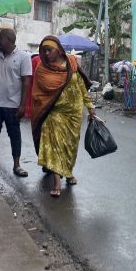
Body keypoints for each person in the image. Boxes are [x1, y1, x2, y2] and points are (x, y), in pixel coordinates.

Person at [31, 36, 95, 197]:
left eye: (49, 50)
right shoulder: (42, 69)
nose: (45, 54)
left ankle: (68, 172)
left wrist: (90, 106)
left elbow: (81, 86)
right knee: (55, 145)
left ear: (58, 50)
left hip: (74, 113)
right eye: (43, 50)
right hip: (54, 113)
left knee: (70, 146)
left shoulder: (72, 62)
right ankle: (57, 181)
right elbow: (38, 94)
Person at [0, 29, 32, 176]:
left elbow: (26, 82)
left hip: (12, 105)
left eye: (0, 38)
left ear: (9, 40)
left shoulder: (23, 57)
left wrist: (22, 105)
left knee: (14, 135)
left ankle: (17, 165)